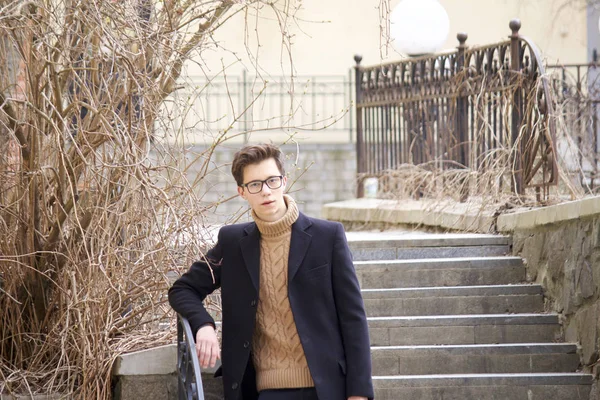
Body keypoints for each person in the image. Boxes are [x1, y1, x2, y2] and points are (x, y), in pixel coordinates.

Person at [168, 143, 374, 400]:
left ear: (284, 181)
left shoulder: (327, 236)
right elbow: (183, 289)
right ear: (242, 192)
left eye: (272, 181)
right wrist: (204, 324)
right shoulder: (233, 244)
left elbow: (353, 319)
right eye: (255, 184)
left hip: (326, 387)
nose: (266, 191)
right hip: (265, 390)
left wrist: (359, 393)